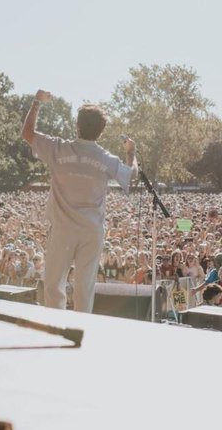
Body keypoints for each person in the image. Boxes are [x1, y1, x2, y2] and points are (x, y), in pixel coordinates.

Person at [22, 90, 137, 313]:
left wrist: (36, 102)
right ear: (101, 131)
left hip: (63, 229)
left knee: (54, 285)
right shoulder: (106, 158)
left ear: (77, 125)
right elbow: (131, 175)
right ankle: (83, 333)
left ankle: (56, 331)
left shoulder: (58, 148)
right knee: (85, 288)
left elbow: (27, 133)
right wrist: (131, 153)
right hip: (91, 230)